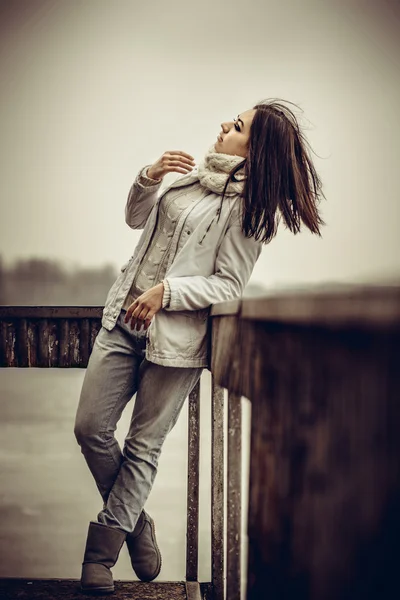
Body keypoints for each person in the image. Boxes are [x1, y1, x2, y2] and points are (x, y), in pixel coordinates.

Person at [74, 98, 325, 594]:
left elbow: (228, 286)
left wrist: (168, 293)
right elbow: (133, 218)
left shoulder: (250, 211)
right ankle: (134, 524)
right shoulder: (187, 180)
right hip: (122, 321)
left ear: (255, 152)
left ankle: (100, 553)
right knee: (90, 429)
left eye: (237, 126)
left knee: (143, 445)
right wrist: (149, 176)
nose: (223, 126)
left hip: (176, 339)